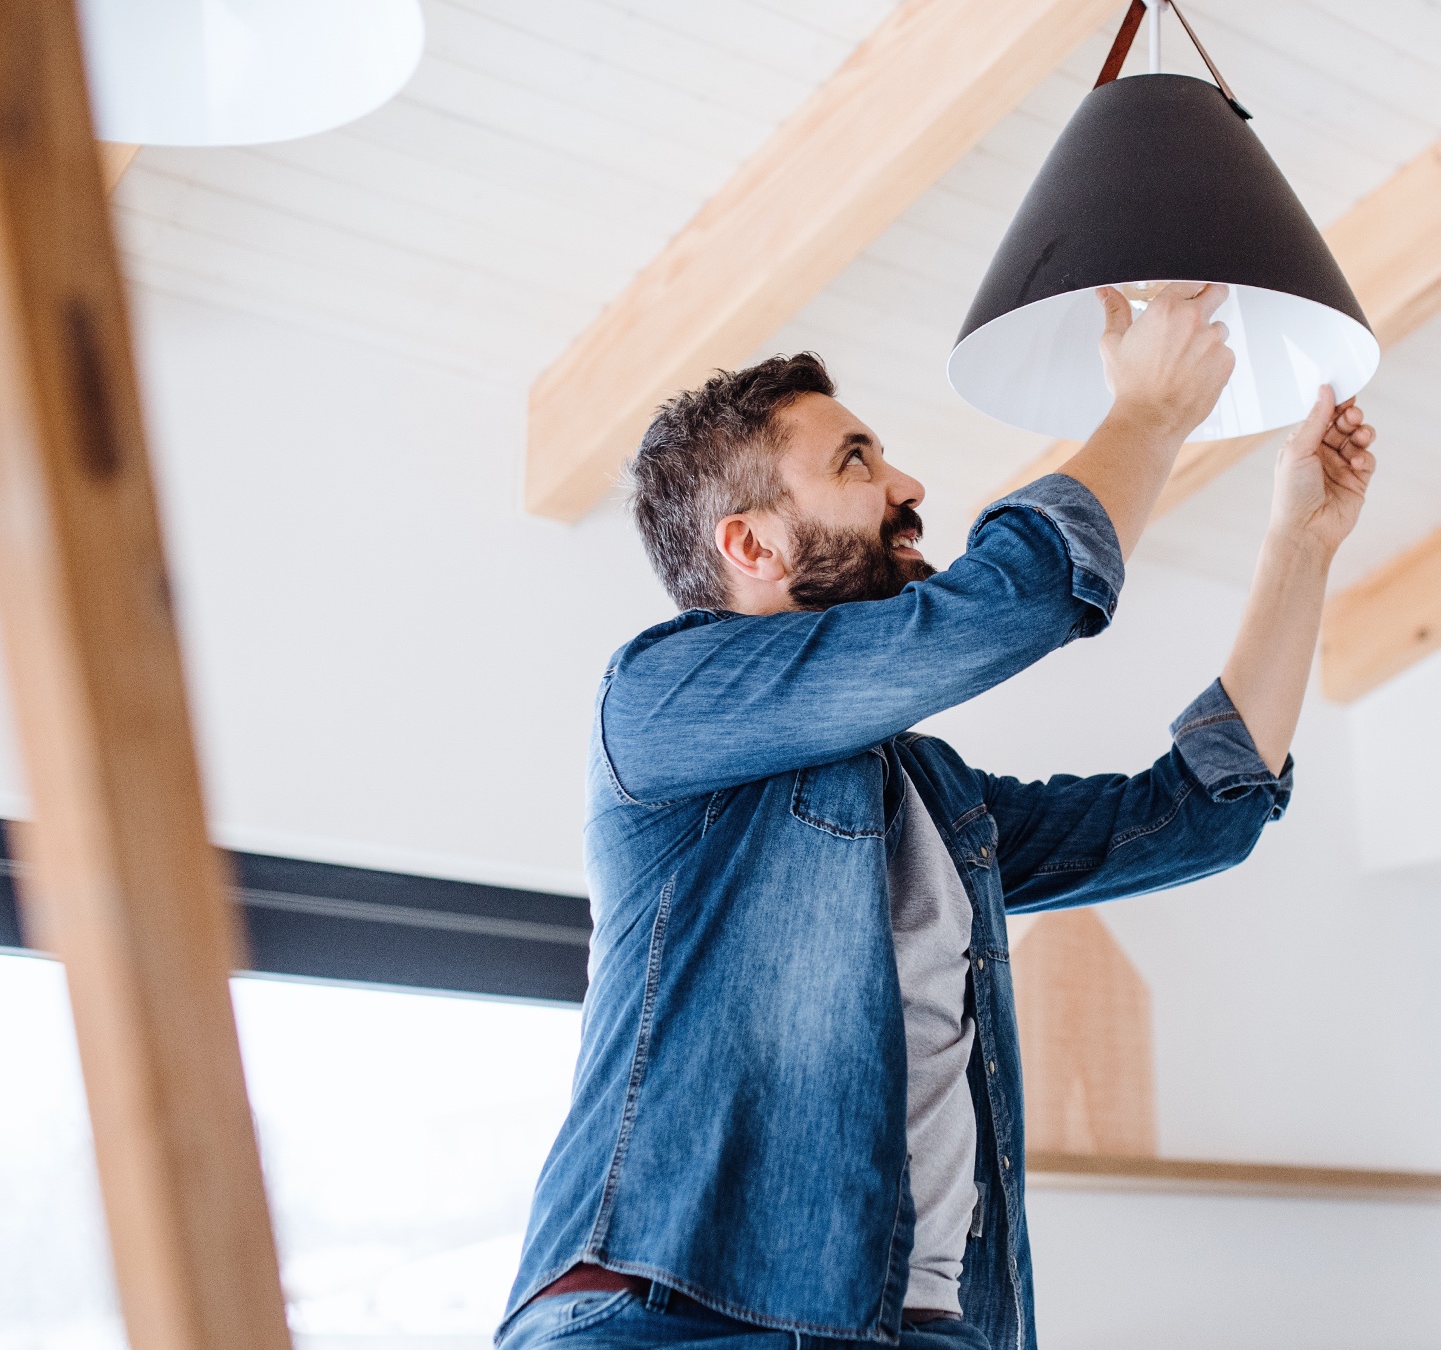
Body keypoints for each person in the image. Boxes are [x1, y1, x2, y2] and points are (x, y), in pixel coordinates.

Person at [497, 283, 1377, 1350]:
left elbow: (1197, 817)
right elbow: (1003, 607)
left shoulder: (938, 804)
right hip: (674, 1314)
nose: (909, 486)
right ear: (753, 546)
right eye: (856, 463)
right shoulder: (660, 701)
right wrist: (1146, 415)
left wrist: (1302, 546)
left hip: (919, 1325)